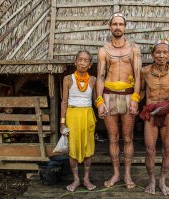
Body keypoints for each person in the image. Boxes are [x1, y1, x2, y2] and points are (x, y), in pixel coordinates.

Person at [96, 12, 141, 188]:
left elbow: (138, 76)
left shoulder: (134, 49)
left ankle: (128, 176)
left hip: (129, 95)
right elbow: (100, 77)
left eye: (121, 24)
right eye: (114, 24)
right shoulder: (104, 50)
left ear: (125, 27)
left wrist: (136, 99)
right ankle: (115, 174)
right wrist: (99, 101)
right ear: (110, 27)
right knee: (113, 138)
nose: (117, 27)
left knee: (128, 138)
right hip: (109, 95)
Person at [139, 36, 169, 195]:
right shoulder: (145, 71)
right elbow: (142, 91)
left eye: (165, 52)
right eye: (158, 52)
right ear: (152, 55)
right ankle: (152, 180)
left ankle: (162, 181)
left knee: (167, 149)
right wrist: (133, 102)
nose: (161, 55)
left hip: (168, 113)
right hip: (151, 114)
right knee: (150, 150)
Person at [60, 50, 97, 192]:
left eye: (85, 60)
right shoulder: (68, 79)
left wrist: (102, 107)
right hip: (72, 116)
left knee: (88, 148)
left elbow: (95, 100)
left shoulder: (93, 80)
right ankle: (76, 179)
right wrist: (62, 122)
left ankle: (86, 178)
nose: (82, 63)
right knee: (73, 148)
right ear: (75, 62)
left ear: (90, 64)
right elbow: (63, 102)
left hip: (87, 115)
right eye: (80, 60)